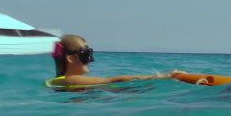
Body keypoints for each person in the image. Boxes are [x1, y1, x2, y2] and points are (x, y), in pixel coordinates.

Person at [48, 34, 178, 87]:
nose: (89, 59)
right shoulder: (70, 80)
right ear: (71, 58)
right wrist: (158, 77)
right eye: (86, 54)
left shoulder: (61, 82)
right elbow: (111, 80)